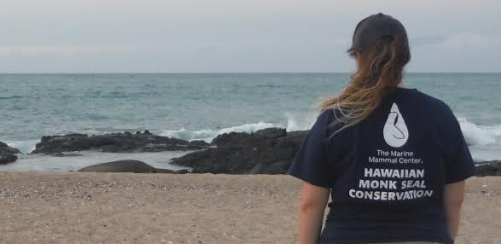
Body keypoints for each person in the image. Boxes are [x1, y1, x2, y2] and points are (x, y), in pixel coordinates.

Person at [288, 13, 475, 244]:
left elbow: (310, 204)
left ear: (357, 56)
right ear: (406, 58)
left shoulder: (336, 118)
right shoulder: (440, 115)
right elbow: (454, 201)